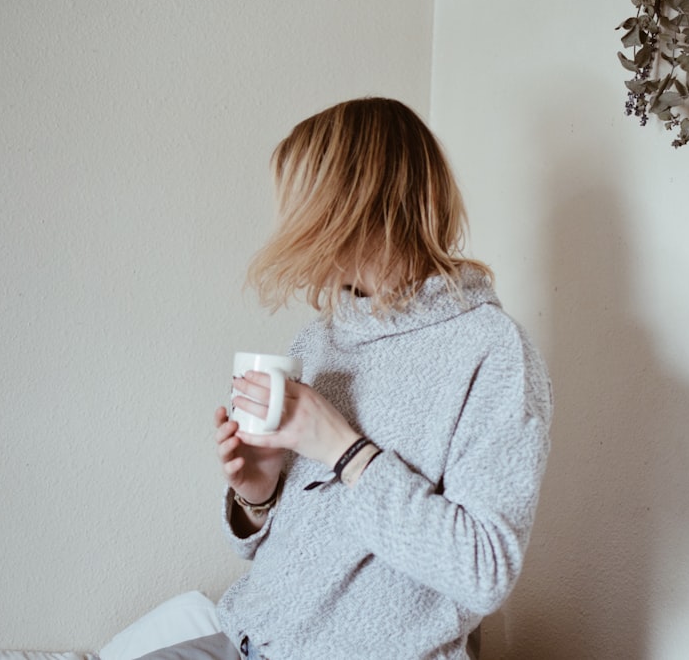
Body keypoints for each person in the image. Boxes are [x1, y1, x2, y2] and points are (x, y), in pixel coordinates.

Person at [213, 97, 551, 659]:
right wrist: (259, 498)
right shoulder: (320, 339)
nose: (288, 226)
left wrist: (344, 451)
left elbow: (485, 569)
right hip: (247, 638)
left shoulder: (489, 349)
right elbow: (296, 549)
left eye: (301, 204)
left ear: (354, 204)